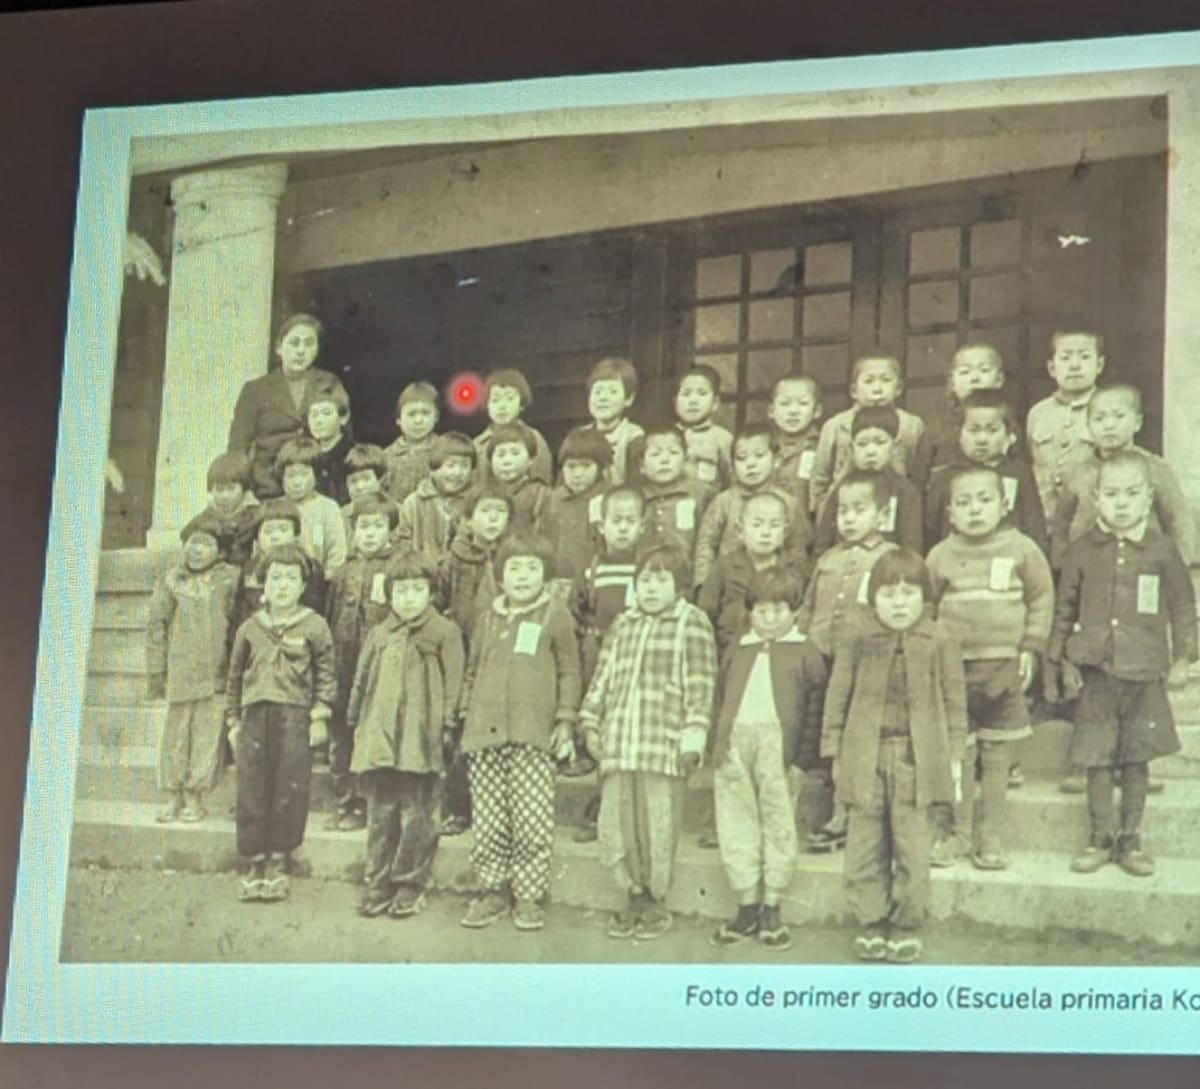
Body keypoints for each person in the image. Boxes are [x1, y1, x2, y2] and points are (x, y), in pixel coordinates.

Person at [1046, 451, 1198, 877]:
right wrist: (1060, 659)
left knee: (1135, 760)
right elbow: (1064, 608)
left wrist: (1183, 658)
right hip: (1095, 672)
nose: (1122, 502)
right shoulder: (1081, 551)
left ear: (1148, 498)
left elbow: (1184, 607)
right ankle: (1100, 838)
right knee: (1095, 759)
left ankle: (1130, 840)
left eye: (1132, 493)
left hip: (1145, 672)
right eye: (1112, 494)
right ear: (1096, 498)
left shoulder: (1162, 551)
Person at [820, 549, 967, 964]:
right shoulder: (857, 637)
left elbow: (955, 700)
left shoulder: (939, 638)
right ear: (873, 597)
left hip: (917, 758)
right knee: (864, 842)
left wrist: (954, 750)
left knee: (911, 843)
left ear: (925, 597)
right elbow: (839, 691)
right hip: (864, 754)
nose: (899, 603)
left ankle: (905, 923)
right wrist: (832, 746)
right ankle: (870, 920)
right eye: (889, 594)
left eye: (909, 593)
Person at [579, 543, 718, 941]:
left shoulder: (690, 622)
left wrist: (694, 737)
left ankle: (656, 897)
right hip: (621, 742)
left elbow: (701, 685)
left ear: (679, 586)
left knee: (657, 824)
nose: (652, 588)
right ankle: (632, 893)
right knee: (619, 825)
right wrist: (591, 722)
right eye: (645, 580)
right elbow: (603, 677)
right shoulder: (624, 624)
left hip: (663, 744)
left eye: (661, 580)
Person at [926, 467, 1054, 870]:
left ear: (1004, 504)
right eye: (963, 503)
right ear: (950, 512)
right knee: (958, 756)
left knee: (997, 756)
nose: (974, 510)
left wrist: (1031, 647)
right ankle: (958, 834)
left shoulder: (1022, 549)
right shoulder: (940, 555)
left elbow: (1040, 597)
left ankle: (991, 836)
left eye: (984, 500)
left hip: (1003, 666)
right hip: (952, 672)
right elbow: (926, 608)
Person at [456, 534, 582, 931]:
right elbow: (473, 669)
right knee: (490, 818)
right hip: (484, 737)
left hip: (532, 734)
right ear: (500, 575)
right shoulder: (488, 618)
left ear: (544, 576)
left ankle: (528, 896)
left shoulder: (554, 615)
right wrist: (465, 715)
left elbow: (569, 670)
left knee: (531, 819)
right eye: (514, 568)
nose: (523, 576)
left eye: (532, 568)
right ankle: (492, 890)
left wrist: (564, 719)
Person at [709, 569, 826, 951]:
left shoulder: (806, 652)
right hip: (735, 744)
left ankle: (772, 903)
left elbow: (814, 713)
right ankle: (746, 903)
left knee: (777, 820)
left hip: (779, 746)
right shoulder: (738, 649)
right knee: (735, 819)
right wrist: (719, 744)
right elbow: (720, 698)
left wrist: (801, 761)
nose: (769, 619)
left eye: (778, 610)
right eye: (760, 611)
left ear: (794, 611)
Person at [347, 551, 464, 919]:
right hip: (381, 738)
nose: (409, 598)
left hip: (421, 739)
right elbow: (362, 678)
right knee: (381, 814)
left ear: (431, 592)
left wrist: (447, 726)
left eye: (418, 589)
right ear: (390, 593)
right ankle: (377, 881)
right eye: (401, 590)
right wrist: (356, 720)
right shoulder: (381, 633)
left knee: (418, 814)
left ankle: (409, 883)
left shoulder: (444, 632)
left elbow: (455, 683)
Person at [225, 544, 336, 902]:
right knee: (252, 786)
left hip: (295, 717)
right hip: (255, 717)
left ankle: (278, 860)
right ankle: (254, 860)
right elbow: (234, 676)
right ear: (263, 584)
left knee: (289, 786)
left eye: (291, 578)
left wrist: (319, 715)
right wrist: (232, 720)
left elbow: (327, 675)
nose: (283, 585)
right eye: (276, 578)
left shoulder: (315, 625)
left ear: (303, 585)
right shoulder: (250, 628)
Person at [796, 470, 899, 852]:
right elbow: (808, 607)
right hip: (822, 659)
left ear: (883, 515)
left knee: (850, 742)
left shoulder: (889, 558)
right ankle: (819, 809)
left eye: (860, 510)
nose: (850, 519)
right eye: (843, 511)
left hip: (863, 668)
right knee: (821, 736)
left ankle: (846, 815)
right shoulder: (828, 558)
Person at [145, 514, 240, 823]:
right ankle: (172, 795)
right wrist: (157, 673)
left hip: (216, 673)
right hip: (180, 672)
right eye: (193, 543)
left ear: (220, 551)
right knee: (176, 735)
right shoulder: (171, 580)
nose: (198, 550)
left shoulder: (230, 579)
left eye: (207, 544)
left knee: (206, 736)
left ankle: (194, 796)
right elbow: (157, 626)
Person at [435, 490, 514, 838]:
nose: (493, 519)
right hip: (465, 651)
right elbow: (440, 599)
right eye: (485, 511)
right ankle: (458, 807)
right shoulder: (455, 558)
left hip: (503, 652)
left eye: (500, 512)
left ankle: (497, 810)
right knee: (461, 729)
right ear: (468, 520)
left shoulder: (514, 556)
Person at [1050, 383, 1195, 568]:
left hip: (1143, 566)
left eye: (1119, 416)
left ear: (1137, 423)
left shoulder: (1155, 468)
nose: (1109, 425)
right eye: (1099, 419)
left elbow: (1178, 521)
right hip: (1090, 570)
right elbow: (1062, 523)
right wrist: (1062, 566)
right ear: (1088, 426)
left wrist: (1176, 569)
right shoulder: (1077, 472)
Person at [322, 493, 400, 832]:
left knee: (377, 735)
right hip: (343, 667)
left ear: (390, 529)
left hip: (381, 670)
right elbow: (330, 616)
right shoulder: (343, 572)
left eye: (377, 526)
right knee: (342, 739)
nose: (369, 534)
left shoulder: (397, 567)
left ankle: (376, 804)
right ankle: (347, 802)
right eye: (363, 527)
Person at [568, 485, 646, 816]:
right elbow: (577, 609)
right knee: (597, 719)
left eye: (631, 521)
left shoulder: (648, 568)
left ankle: (615, 801)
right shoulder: (592, 569)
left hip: (633, 655)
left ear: (642, 526)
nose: (624, 527)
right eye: (617, 521)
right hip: (596, 650)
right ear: (603, 526)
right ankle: (598, 799)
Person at [228, 314, 346, 500]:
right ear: (279, 348)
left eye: (308, 344)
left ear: (316, 350)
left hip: (318, 488)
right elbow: (237, 448)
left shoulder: (328, 383)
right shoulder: (255, 390)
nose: (301, 351)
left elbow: (344, 437)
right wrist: (246, 492)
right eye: (294, 343)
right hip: (268, 489)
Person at [925, 389, 1048, 557]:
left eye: (992, 430)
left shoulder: (1018, 473)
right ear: (959, 433)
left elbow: (1034, 524)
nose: (982, 439)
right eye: (974, 430)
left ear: (1008, 434)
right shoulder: (945, 476)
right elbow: (931, 530)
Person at [809, 355, 925, 515]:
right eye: (869, 381)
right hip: (845, 506)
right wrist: (818, 509)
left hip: (892, 504)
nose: (877, 389)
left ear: (898, 388)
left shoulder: (911, 425)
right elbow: (820, 474)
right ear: (854, 391)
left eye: (885, 380)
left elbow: (915, 471)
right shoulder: (835, 425)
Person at [699, 491, 809, 658]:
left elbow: (802, 613)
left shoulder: (793, 568)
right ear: (740, 531)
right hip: (731, 653)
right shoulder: (724, 567)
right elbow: (706, 615)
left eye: (774, 525)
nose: (766, 532)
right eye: (757, 525)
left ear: (785, 532)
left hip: (782, 655)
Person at [693, 422, 804, 588]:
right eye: (741, 458)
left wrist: (794, 584)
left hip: (772, 587)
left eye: (759, 456)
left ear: (776, 460)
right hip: (729, 584)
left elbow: (798, 548)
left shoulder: (789, 503)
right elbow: (706, 544)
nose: (750, 464)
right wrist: (704, 583)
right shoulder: (723, 501)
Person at [812, 406, 922, 556]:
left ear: (894, 446)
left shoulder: (905, 491)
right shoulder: (843, 488)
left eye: (880, 442)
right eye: (862, 444)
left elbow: (912, 544)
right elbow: (823, 541)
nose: (871, 451)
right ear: (852, 448)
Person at [1026, 328, 1105, 525]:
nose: (1075, 365)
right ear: (1052, 368)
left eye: (1085, 357)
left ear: (1100, 365)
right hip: (1045, 521)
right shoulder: (1038, 413)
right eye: (1066, 358)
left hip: (1090, 521)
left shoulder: (1108, 410)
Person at [909, 342, 1012, 489]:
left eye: (984, 370)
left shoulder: (1007, 423)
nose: (974, 378)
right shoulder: (937, 428)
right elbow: (918, 479)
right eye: (965, 372)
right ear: (952, 382)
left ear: (999, 380)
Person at [274, 437, 348, 596]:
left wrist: (326, 578)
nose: (297, 482)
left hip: (318, 587)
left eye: (304, 475)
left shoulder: (328, 508)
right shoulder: (275, 508)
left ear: (317, 474)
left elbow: (337, 552)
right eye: (291, 476)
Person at [541, 429, 612, 589]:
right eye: (571, 467)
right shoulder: (553, 500)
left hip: (596, 583)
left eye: (586, 466)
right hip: (557, 584)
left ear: (601, 467)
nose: (578, 474)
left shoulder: (609, 500)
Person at [563, 357, 645, 486]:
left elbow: (636, 485)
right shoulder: (579, 436)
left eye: (612, 391)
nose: (603, 398)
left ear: (628, 399)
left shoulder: (634, 438)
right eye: (598, 392)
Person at [394, 431, 476, 558]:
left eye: (465, 465)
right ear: (434, 468)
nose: (457, 472)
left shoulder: (476, 502)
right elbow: (401, 545)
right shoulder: (413, 504)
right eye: (451, 465)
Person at [472, 368, 554, 487]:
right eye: (495, 400)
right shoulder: (479, 444)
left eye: (509, 398)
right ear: (487, 405)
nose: (502, 406)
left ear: (521, 403)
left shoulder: (534, 439)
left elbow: (542, 483)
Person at [637, 424, 709, 559]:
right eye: (655, 454)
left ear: (685, 461)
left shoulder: (699, 495)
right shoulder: (637, 498)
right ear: (642, 466)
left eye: (673, 452)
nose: (665, 460)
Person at [180, 452, 259, 567]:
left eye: (231, 489)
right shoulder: (203, 520)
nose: (225, 496)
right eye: (219, 490)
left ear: (244, 488)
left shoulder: (255, 516)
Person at [768, 374, 823, 521]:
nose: (793, 411)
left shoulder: (822, 448)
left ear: (817, 410)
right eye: (785, 403)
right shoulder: (765, 448)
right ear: (771, 411)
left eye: (803, 403)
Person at [673, 364, 733, 495]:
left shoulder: (722, 439)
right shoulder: (667, 436)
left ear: (715, 403)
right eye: (686, 394)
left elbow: (731, 483)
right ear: (675, 402)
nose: (693, 401)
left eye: (702, 394)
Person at [487, 423, 552, 533]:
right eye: (500, 455)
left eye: (515, 453)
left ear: (531, 459)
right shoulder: (484, 494)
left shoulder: (542, 495)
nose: (507, 461)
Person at [384, 381, 440, 504]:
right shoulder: (386, 457)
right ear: (398, 419)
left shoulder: (444, 451)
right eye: (411, 414)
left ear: (436, 417)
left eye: (425, 413)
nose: (418, 420)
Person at [305, 381, 355, 506]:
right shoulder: (306, 456)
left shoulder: (353, 456)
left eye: (326, 413)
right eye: (314, 415)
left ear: (343, 418)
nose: (319, 421)